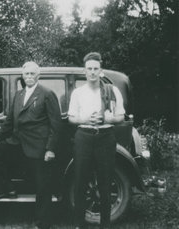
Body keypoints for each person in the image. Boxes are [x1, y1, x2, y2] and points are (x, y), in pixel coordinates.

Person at [0, 61, 61, 229]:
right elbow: (10, 121)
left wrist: (50, 149)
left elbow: (56, 125)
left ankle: (42, 223)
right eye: (26, 74)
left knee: (42, 185)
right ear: (23, 76)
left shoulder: (47, 94)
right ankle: (6, 188)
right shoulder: (19, 95)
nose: (29, 77)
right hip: (17, 142)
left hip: (38, 146)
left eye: (33, 74)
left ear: (38, 76)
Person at [68, 52, 125, 229]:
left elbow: (121, 117)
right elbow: (71, 118)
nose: (92, 72)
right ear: (84, 71)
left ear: (101, 71)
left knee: (105, 183)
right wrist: (85, 119)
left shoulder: (112, 91)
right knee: (80, 182)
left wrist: (107, 119)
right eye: (89, 69)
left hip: (105, 138)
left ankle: (105, 225)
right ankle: (79, 224)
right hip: (83, 137)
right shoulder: (77, 93)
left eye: (95, 69)